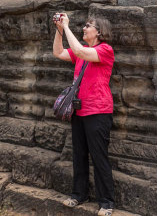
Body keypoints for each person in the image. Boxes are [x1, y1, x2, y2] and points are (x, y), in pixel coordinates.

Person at [52, 13, 115, 216]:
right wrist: (60, 30)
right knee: (79, 154)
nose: (84, 28)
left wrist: (67, 26)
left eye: (88, 26)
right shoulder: (82, 53)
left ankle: (106, 202)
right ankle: (79, 194)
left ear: (99, 32)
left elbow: (78, 49)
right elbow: (58, 52)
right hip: (79, 110)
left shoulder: (105, 50)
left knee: (99, 157)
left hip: (98, 111)